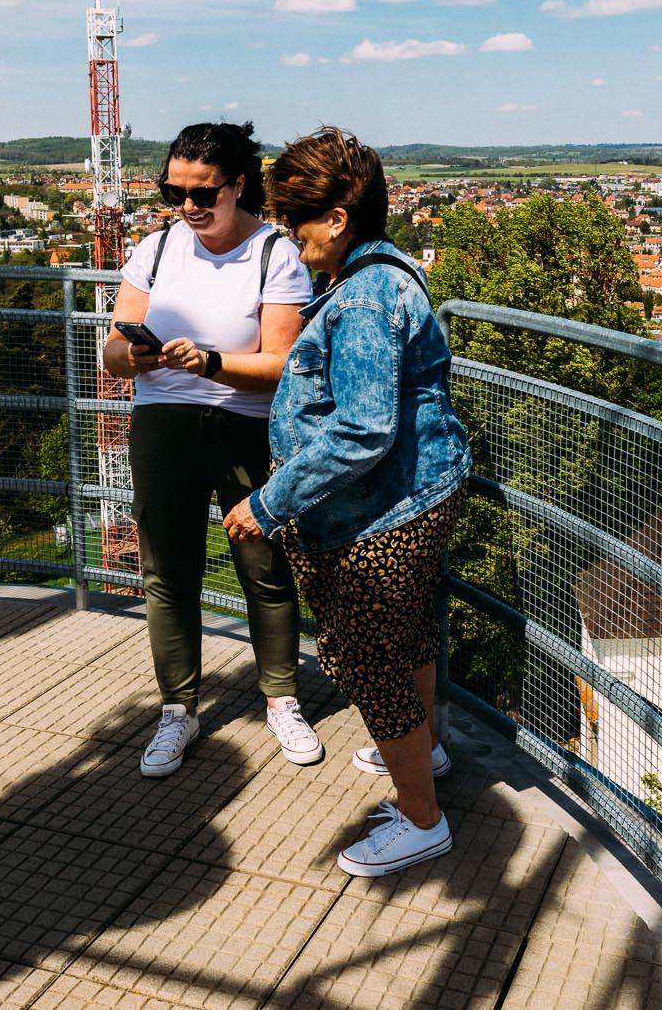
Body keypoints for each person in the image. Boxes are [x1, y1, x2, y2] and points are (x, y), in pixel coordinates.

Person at [223, 127, 472, 878]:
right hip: (416, 490)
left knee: (364, 658)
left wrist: (267, 503)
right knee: (408, 635)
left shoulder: (362, 297)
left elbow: (364, 429)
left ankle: (420, 817)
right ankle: (423, 748)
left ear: (337, 218)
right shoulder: (380, 272)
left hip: (384, 507)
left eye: (296, 220)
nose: (288, 237)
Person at [102, 121, 320, 778]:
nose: (189, 206)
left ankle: (281, 699)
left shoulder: (273, 253)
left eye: (204, 193)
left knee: (265, 565)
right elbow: (111, 352)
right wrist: (134, 355)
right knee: (167, 571)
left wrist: (212, 362)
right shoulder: (157, 250)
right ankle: (178, 710)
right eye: (176, 192)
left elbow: (284, 362)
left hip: (245, 423)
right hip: (164, 423)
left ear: (239, 186)